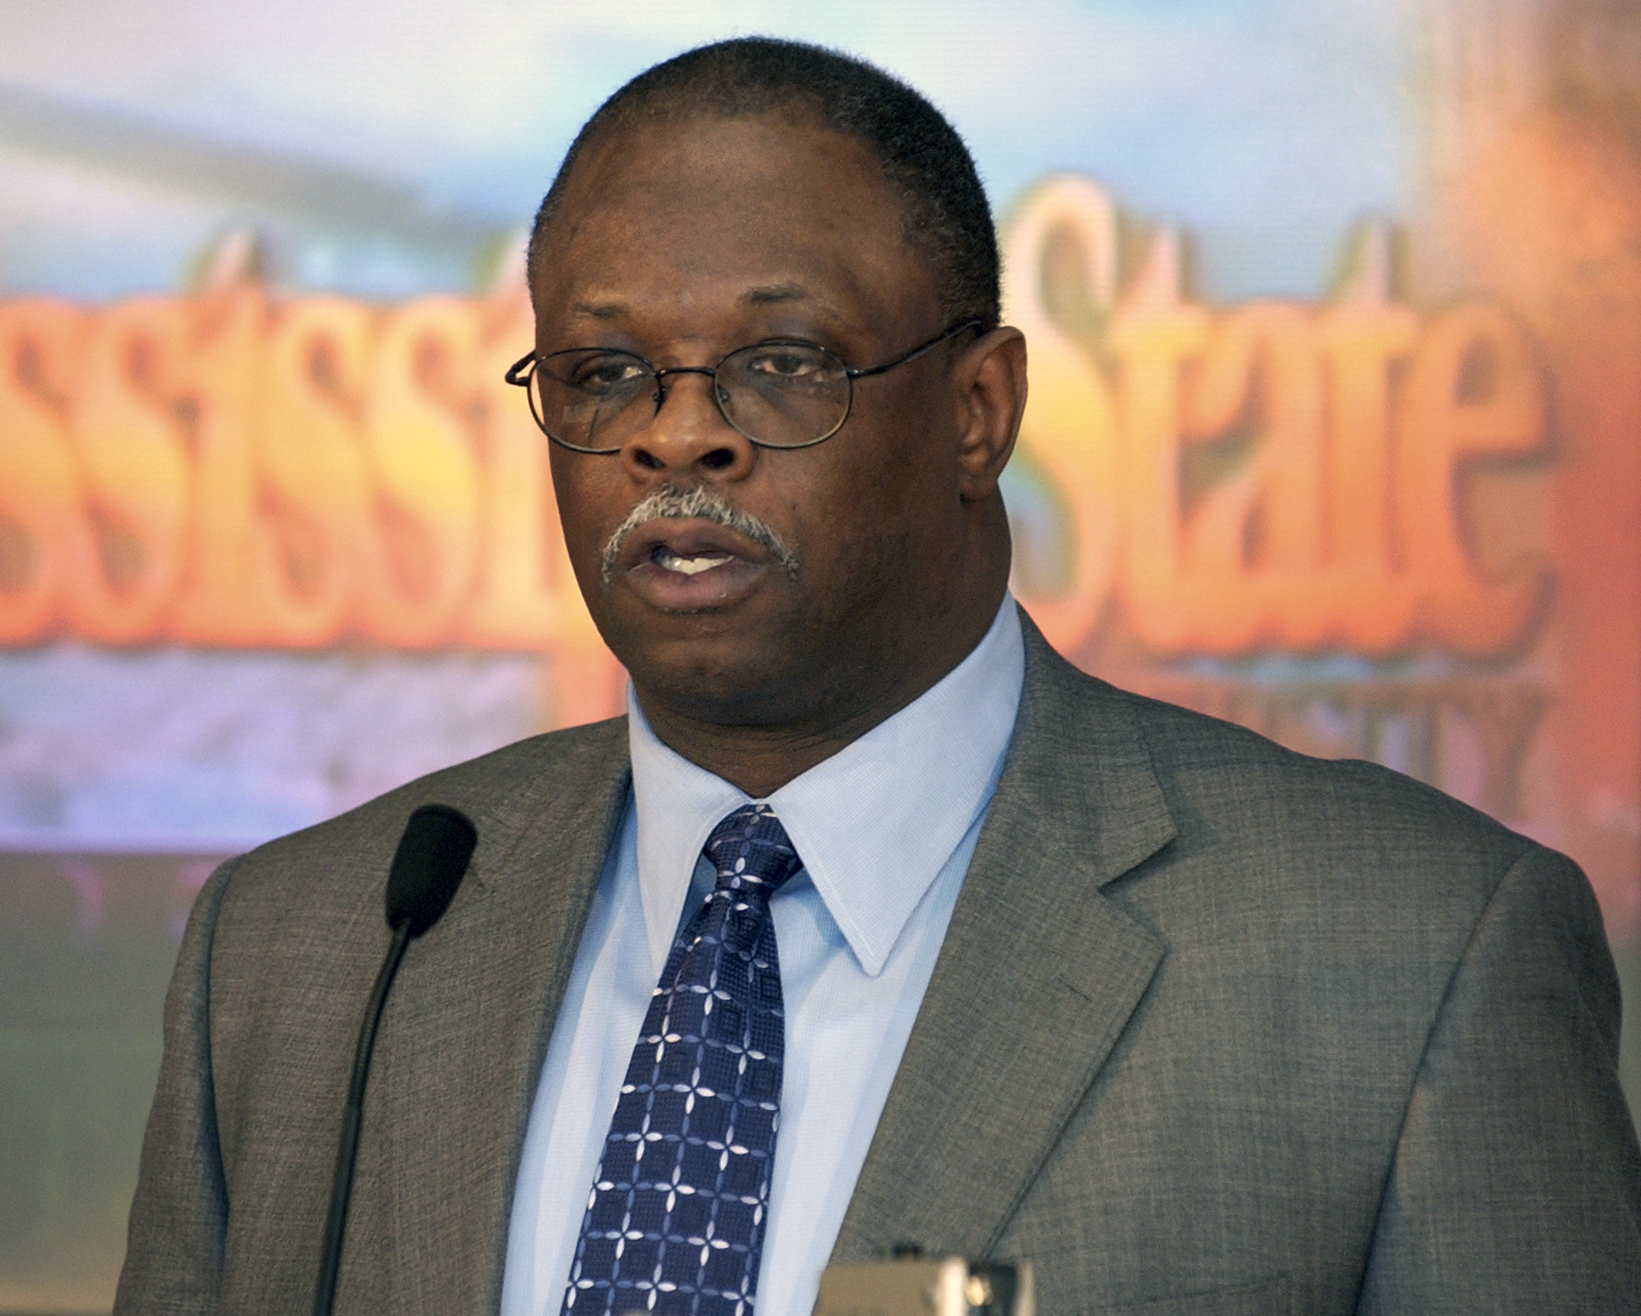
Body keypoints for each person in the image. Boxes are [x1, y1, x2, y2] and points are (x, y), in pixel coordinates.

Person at [114, 38, 1641, 1316]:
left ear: (979, 411)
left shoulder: (1409, 954)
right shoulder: (310, 948)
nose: (675, 436)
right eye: (604, 374)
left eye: (781, 363)